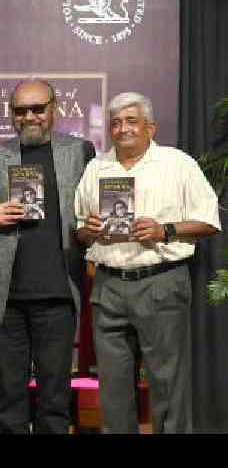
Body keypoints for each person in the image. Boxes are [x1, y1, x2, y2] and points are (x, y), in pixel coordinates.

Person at [75, 92, 220, 433]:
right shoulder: (97, 167)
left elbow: (209, 221)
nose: (122, 129)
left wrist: (164, 229)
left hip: (161, 282)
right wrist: (90, 230)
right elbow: (80, 231)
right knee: (112, 388)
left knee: (168, 384)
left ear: (150, 128)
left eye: (131, 121)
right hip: (108, 285)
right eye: (115, 123)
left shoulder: (178, 164)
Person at [0, 79, 95, 434]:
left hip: (58, 295)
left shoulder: (81, 152)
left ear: (54, 109)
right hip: (5, 300)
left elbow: (90, 214)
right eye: (20, 110)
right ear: (11, 115)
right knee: (10, 403)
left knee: (55, 403)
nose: (29, 117)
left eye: (37, 108)